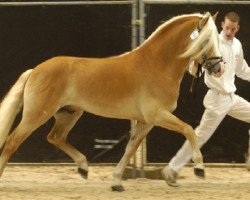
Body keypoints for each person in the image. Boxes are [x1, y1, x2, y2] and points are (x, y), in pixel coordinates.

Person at [162, 11, 250, 187]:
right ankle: (171, 169)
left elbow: (241, 69)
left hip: (231, 97)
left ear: (237, 28)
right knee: (200, 135)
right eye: (227, 28)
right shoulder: (213, 41)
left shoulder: (237, 45)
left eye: (233, 29)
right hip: (217, 99)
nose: (229, 32)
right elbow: (194, 36)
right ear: (222, 25)